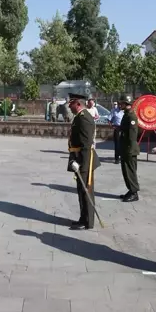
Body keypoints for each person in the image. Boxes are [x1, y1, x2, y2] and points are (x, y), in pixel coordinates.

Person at [67, 93, 100, 230]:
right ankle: (83, 218)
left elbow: (86, 144)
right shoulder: (79, 117)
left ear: (78, 104)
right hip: (79, 157)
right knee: (81, 190)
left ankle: (87, 221)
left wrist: (82, 165)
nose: (69, 106)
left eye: (71, 103)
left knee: (86, 189)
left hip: (85, 159)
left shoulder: (84, 118)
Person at [118, 94, 140, 202]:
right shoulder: (126, 114)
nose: (119, 105)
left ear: (125, 103)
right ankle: (130, 190)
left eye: (121, 103)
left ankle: (134, 192)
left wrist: (129, 150)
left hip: (129, 149)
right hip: (125, 148)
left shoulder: (131, 116)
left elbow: (132, 135)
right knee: (126, 171)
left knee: (130, 171)